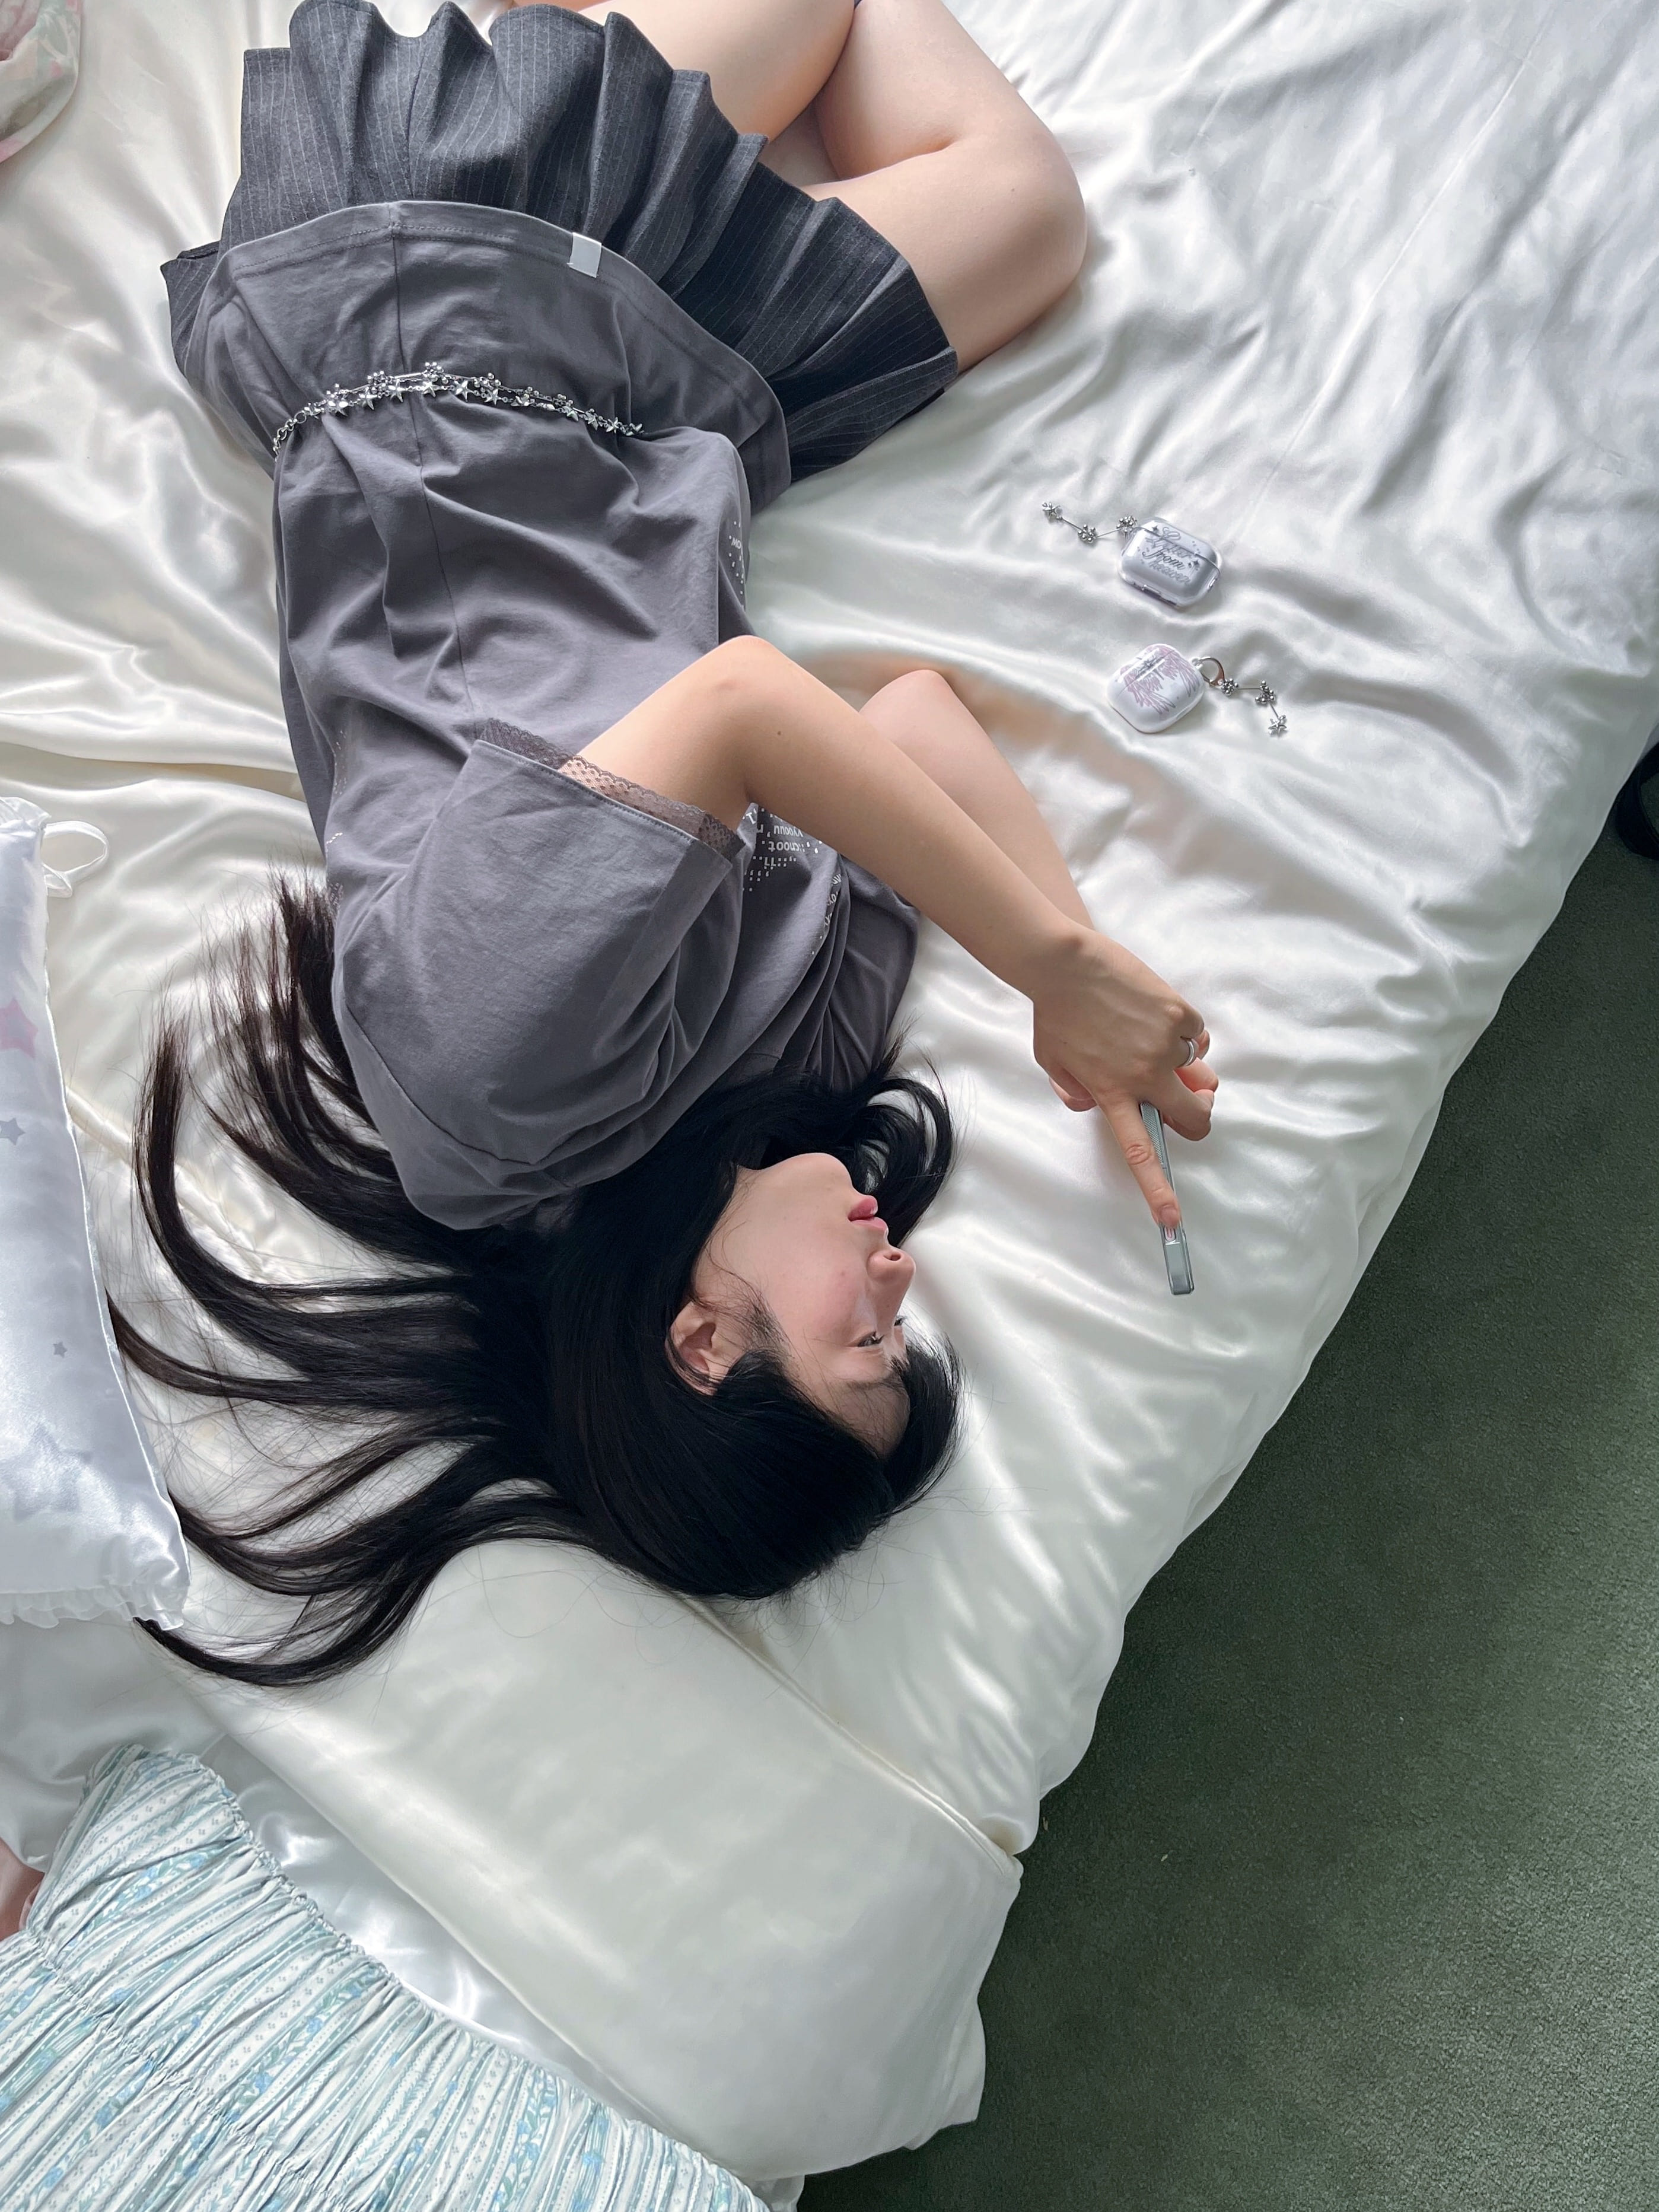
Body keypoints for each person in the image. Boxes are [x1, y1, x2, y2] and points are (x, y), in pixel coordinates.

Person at [127, 0, 1217, 1686]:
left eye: (870, 1346)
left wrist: (1055, 970)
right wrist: (1087, 998)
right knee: (1028, 211)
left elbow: (745, 705)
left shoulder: (499, 1092)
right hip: (670, 427)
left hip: (448, 315)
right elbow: (915, 725)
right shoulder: (776, 1102)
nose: (899, 1277)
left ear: (701, 1345)